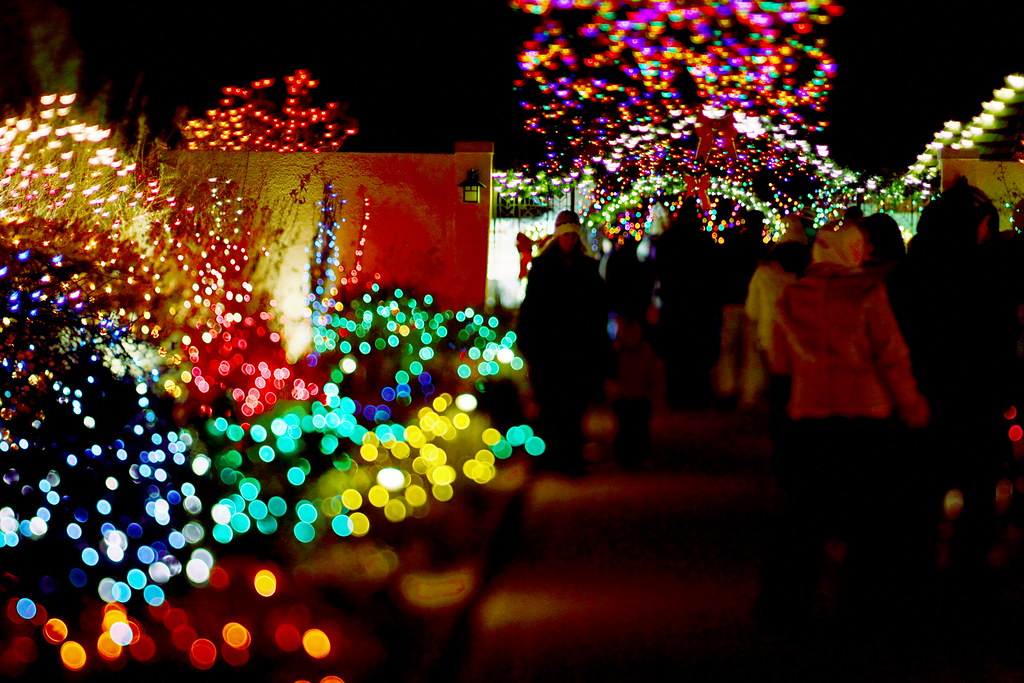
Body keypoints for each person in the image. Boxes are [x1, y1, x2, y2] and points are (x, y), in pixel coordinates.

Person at [756, 222, 929, 632]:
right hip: (865, 415)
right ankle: (864, 605)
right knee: (869, 516)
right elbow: (890, 356)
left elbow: (780, 363)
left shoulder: (793, 295)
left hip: (811, 414)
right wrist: (911, 406)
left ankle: (784, 604)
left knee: (804, 515)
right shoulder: (867, 293)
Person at [888, 178, 1023, 617]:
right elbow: (1002, 338)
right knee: (978, 497)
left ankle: (912, 585)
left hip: (920, 397)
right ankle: (967, 587)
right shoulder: (988, 273)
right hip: (976, 399)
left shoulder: (909, 274)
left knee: (918, 498)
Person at [516, 210, 612, 476]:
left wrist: (597, 348)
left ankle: (570, 458)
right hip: (549, 351)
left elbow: (598, 312)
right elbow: (532, 309)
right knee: (550, 406)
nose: (569, 240)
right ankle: (552, 458)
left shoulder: (587, 270)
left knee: (572, 408)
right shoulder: (544, 269)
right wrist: (530, 344)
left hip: (577, 351)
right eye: (566, 235)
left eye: (573, 235)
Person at [651, 199, 720, 409]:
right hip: (698, 306)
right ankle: (696, 395)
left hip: (674, 304)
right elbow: (712, 275)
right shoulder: (704, 240)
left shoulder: (668, 240)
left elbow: (658, 270)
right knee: (695, 352)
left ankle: (677, 395)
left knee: (676, 353)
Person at [605, 312, 665, 470]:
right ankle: (626, 457)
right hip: (624, 396)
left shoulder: (645, 353)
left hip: (639, 396)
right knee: (626, 428)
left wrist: (653, 394)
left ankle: (637, 456)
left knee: (638, 428)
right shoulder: (619, 353)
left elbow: (654, 375)